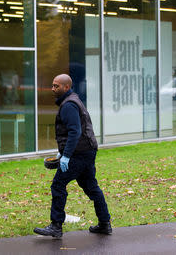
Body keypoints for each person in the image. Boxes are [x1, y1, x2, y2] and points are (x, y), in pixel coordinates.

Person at [34, 74, 112, 238]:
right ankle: (104, 224)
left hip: (79, 153)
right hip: (87, 151)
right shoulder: (73, 100)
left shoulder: (68, 105)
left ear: (66, 87)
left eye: (57, 86)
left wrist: (66, 156)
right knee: (91, 187)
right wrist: (61, 153)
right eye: (53, 85)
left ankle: (56, 226)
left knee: (58, 185)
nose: (53, 88)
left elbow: (75, 131)